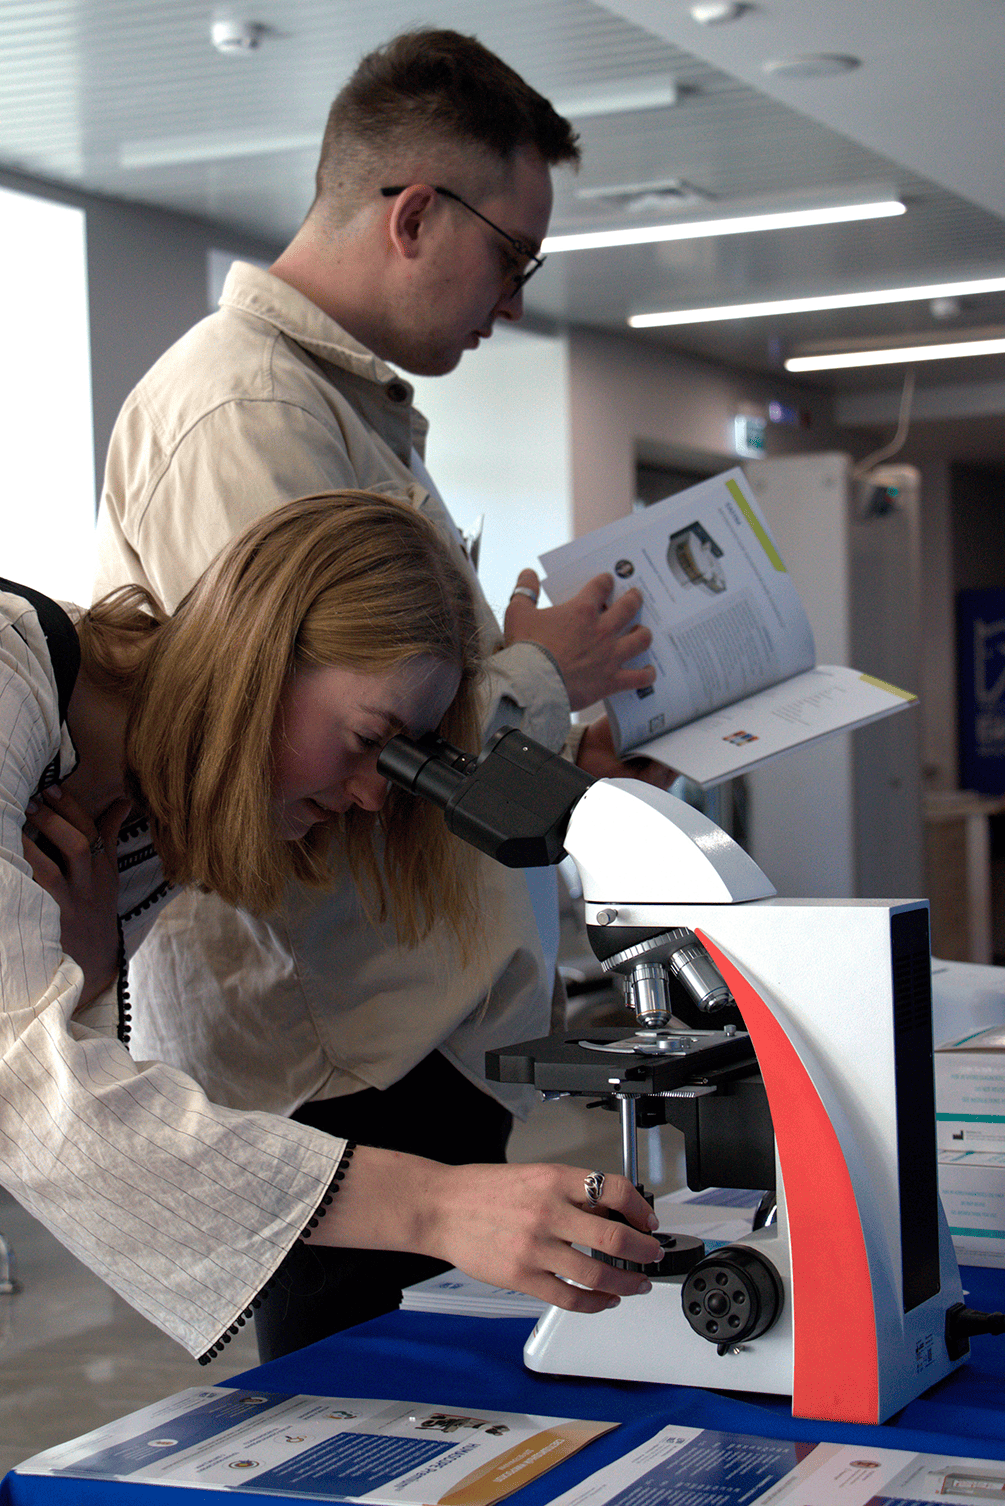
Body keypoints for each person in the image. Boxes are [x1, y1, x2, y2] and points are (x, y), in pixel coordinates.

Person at [93, 28, 668, 1358]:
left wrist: (562, 775)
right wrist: (538, 674)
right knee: (369, 1421)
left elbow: (379, 735)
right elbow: (311, 751)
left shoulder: (331, 408)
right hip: (336, 1054)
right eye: (513, 258)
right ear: (413, 215)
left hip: (402, 1041)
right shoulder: (242, 413)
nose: (512, 299)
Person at [1, 490, 661, 1365]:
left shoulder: (151, 809)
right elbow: (24, 1096)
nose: (372, 796)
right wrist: (436, 1207)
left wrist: (85, 970)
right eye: (365, 738)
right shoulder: (11, 685)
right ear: (255, 656)